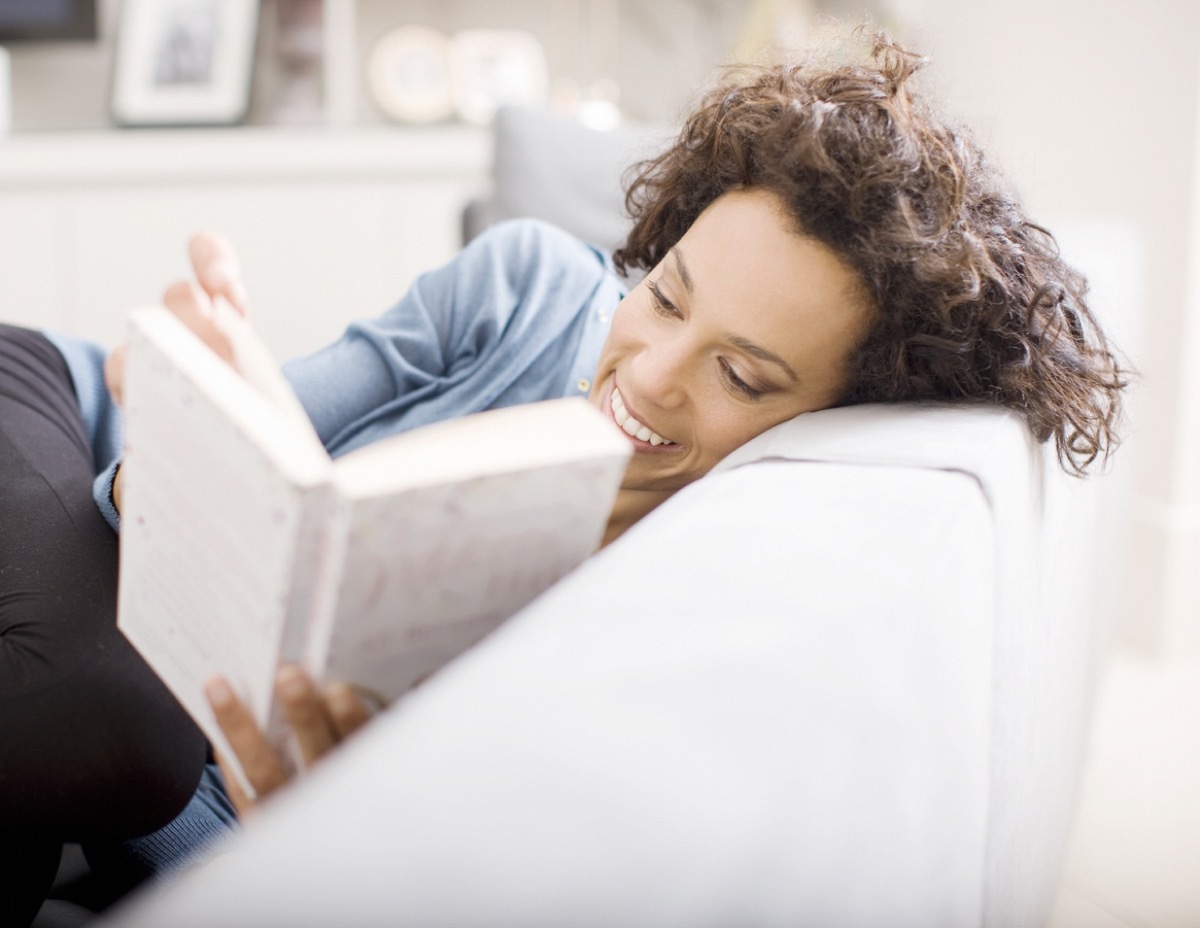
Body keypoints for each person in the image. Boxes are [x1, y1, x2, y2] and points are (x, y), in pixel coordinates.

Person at [0, 31, 1126, 924]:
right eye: (669, 295)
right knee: (112, 715)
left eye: (741, 373)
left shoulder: (683, 595)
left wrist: (296, 826)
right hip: (49, 412)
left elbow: (224, 850)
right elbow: (124, 498)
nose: (650, 373)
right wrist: (199, 407)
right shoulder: (530, 290)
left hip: (110, 715)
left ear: (832, 413)